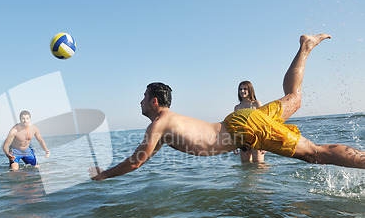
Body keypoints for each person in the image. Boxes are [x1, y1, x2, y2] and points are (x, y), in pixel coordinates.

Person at [89, 34, 365, 181]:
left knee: (315, 154)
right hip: (242, 121)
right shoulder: (167, 125)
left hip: (243, 128)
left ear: (154, 102)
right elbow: (143, 159)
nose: (139, 102)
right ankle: (305, 46)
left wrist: (103, 175)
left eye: (143, 96)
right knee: (294, 97)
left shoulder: (158, 125)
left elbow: (136, 162)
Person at [234, 81, 265, 163]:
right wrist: (235, 144)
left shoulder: (256, 104)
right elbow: (235, 127)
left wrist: (264, 143)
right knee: (245, 166)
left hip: (256, 138)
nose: (242, 91)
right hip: (243, 140)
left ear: (250, 90)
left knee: (259, 166)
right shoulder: (237, 107)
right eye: (240, 89)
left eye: (245, 89)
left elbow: (264, 123)